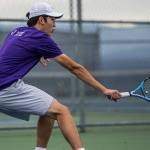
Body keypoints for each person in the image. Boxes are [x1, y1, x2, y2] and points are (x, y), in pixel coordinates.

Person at [0, 2, 121, 150]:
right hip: (6, 87)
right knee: (62, 111)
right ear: (41, 20)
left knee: (48, 110)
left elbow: (12, 51)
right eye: (52, 20)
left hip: (6, 84)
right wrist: (104, 90)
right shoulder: (41, 38)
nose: (55, 25)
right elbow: (75, 68)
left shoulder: (17, 31)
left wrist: (38, 54)